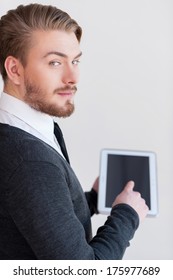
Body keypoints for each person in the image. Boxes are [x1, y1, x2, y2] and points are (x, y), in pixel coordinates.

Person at [0, 3, 148, 260]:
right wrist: (126, 214)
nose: (73, 77)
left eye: (76, 60)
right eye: (55, 62)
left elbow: (35, 220)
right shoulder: (29, 160)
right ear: (15, 70)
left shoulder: (32, 129)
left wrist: (90, 199)